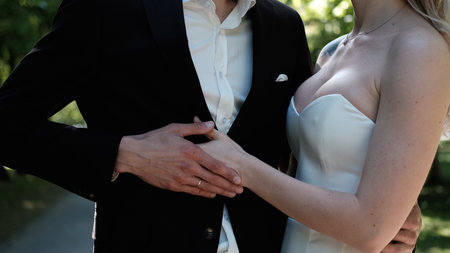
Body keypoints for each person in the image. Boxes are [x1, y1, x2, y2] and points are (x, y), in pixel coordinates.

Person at [0, 0, 421, 252]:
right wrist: (124, 153)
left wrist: (384, 206)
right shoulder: (106, 10)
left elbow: (303, 146)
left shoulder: (285, 25)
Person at [197, 0, 450, 252]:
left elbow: (370, 229)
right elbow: (301, 179)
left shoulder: (419, 49)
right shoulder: (333, 50)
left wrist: (243, 167)